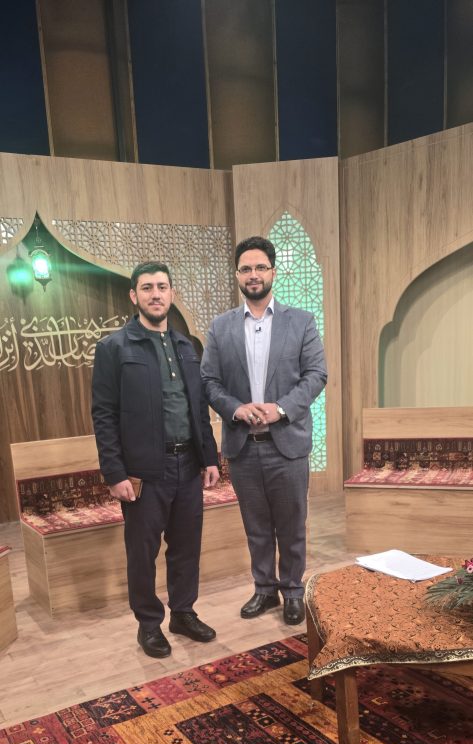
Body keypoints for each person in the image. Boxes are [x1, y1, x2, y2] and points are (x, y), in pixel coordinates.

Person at [92, 261, 219, 658]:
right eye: (147, 288)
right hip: (144, 472)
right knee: (142, 553)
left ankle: (183, 613)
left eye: (162, 287)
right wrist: (114, 472)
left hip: (188, 466)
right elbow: (104, 414)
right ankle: (149, 625)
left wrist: (210, 458)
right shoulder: (115, 348)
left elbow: (198, 407)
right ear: (134, 296)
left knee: (186, 547)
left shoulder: (185, 347)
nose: (156, 294)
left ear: (172, 293)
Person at [201, 235, 327, 626]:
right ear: (237, 275)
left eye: (260, 267)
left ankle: (293, 591)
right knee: (256, 527)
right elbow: (208, 381)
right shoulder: (220, 327)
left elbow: (316, 374)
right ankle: (264, 589)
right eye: (245, 269)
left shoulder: (301, 321)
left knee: (291, 525)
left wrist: (280, 408)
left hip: (287, 445)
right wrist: (235, 409)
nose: (253, 274)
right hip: (243, 447)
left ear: (273, 271)